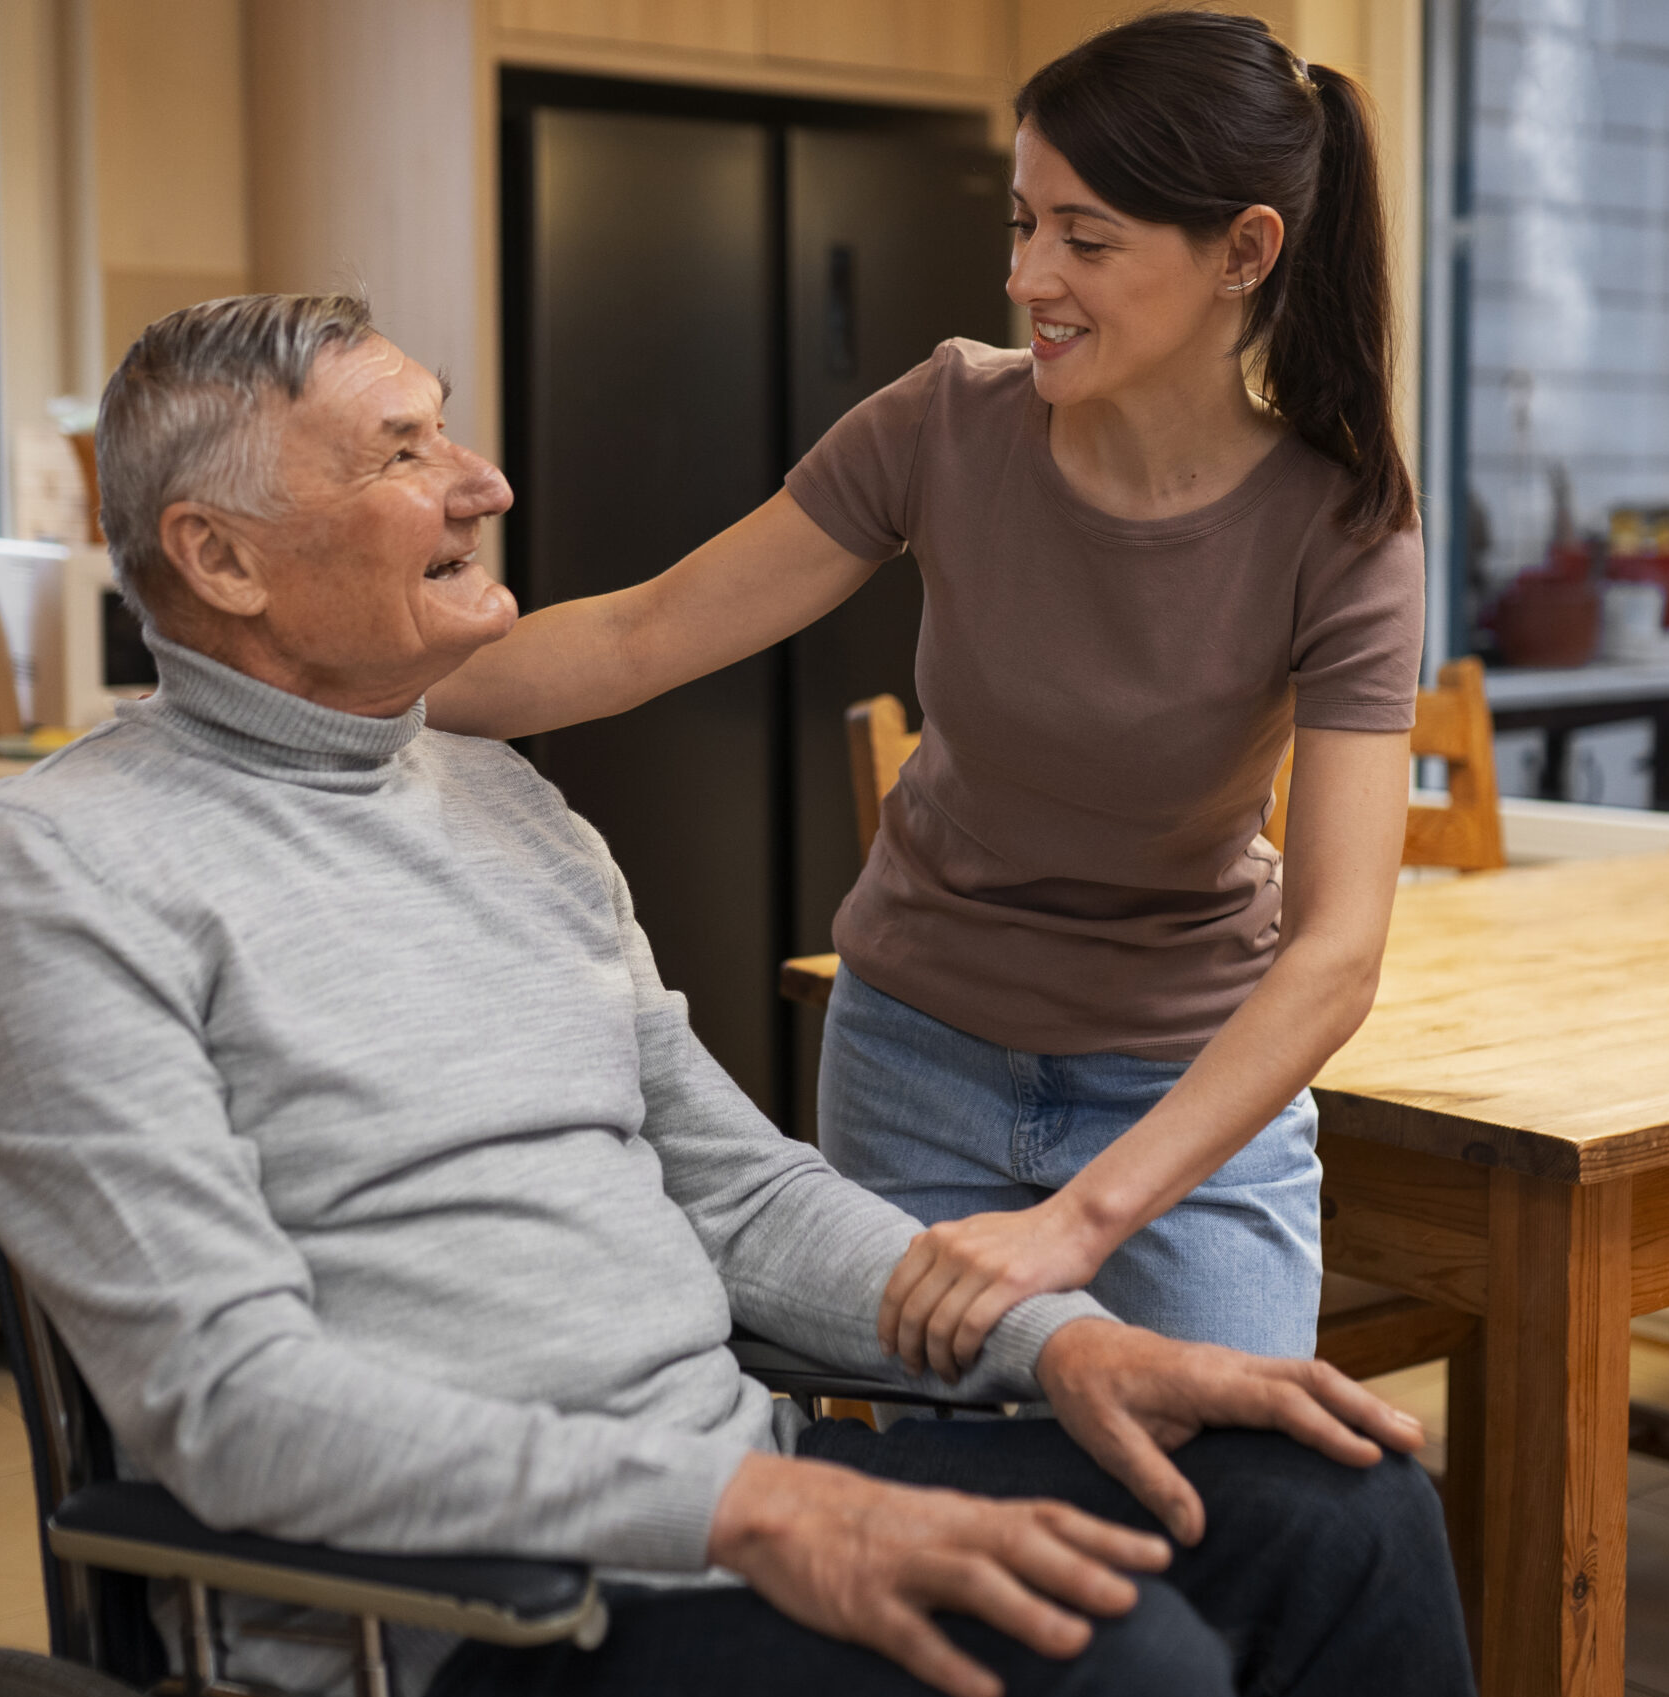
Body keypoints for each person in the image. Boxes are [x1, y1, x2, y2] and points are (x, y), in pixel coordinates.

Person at [0, 292, 1475, 1697]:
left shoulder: (505, 801)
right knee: (1104, 1668)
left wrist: (1060, 1345)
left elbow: (736, 1198)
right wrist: (749, 1506)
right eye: (404, 452)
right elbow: (231, 1404)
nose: (484, 482)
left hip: (723, 1513)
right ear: (222, 557)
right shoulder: (63, 868)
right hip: (463, 1624)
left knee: (1343, 1506)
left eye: (448, 426)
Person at [424, 10, 1423, 1384]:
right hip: (917, 1062)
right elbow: (644, 634)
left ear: (1244, 253)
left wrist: (1083, 1220)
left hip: (1189, 1097)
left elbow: (1337, 955)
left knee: (1231, 1512)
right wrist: (325, 683)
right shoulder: (945, 421)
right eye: (1022, 225)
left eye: (1084, 237)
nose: (1028, 276)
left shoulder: (1343, 524)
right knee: (960, 1530)